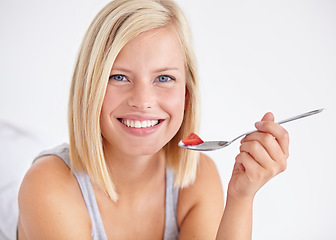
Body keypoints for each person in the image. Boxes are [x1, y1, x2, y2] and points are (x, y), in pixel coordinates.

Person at [17, 0, 289, 239]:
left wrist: (241, 198)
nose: (143, 101)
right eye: (119, 77)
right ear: (89, 87)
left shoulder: (197, 177)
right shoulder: (47, 186)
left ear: (187, 95)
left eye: (164, 78)